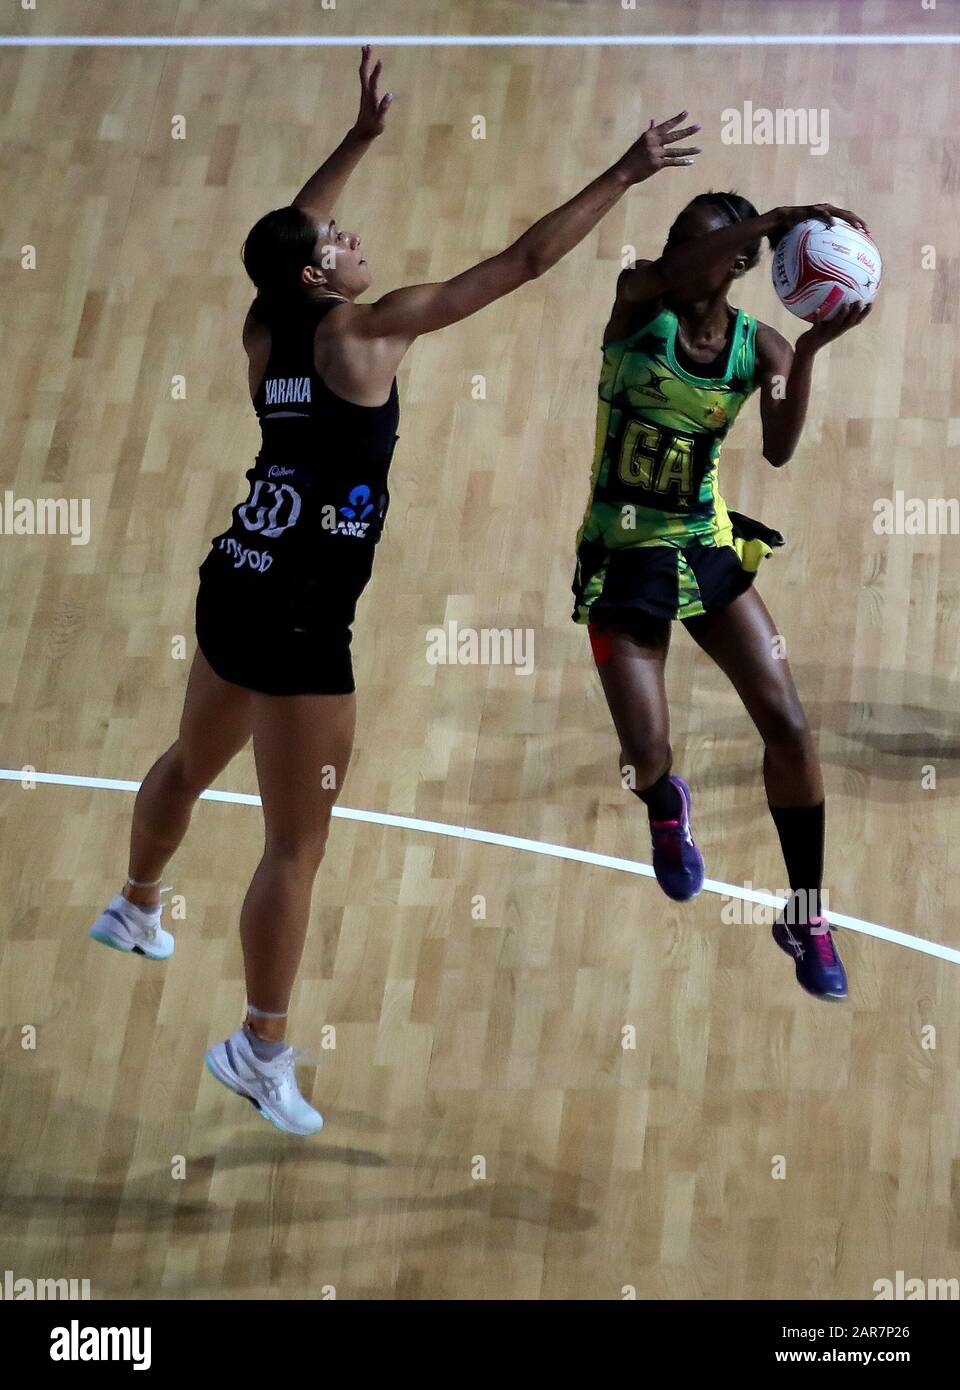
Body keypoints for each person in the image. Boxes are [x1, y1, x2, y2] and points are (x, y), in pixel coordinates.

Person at [88, 47, 704, 1132]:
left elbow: (283, 231)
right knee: (294, 847)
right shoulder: (367, 335)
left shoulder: (265, 327)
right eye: (341, 242)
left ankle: (137, 905)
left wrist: (361, 143)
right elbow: (516, 263)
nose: (353, 236)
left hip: (233, 577)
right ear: (322, 278)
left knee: (193, 759)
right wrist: (621, 173)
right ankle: (258, 1046)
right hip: (301, 619)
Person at [571, 191, 872, 1000]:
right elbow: (665, 271)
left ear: (737, 265)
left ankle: (805, 915)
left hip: (704, 547)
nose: (678, 258)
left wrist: (806, 353)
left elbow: (776, 450)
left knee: (791, 729)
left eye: (698, 246)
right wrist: (775, 220)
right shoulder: (639, 306)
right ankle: (665, 800)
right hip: (622, 556)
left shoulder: (755, 347)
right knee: (646, 755)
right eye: (676, 241)